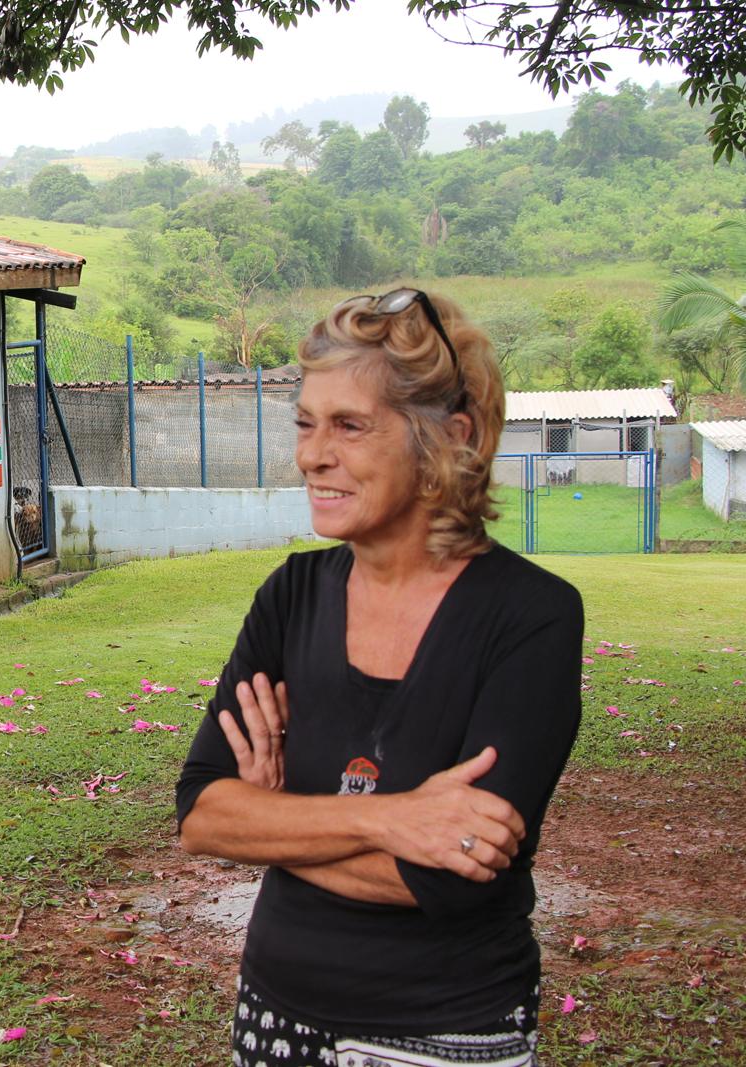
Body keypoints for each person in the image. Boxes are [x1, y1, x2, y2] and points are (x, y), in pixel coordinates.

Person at [176, 289, 583, 1066]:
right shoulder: (291, 596)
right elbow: (202, 812)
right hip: (273, 1014)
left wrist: (275, 816)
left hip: (448, 1030)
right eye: (305, 421)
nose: (310, 454)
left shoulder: (532, 617)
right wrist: (386, 819)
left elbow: (456, 875)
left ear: (449, 440)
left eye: (349, 425)